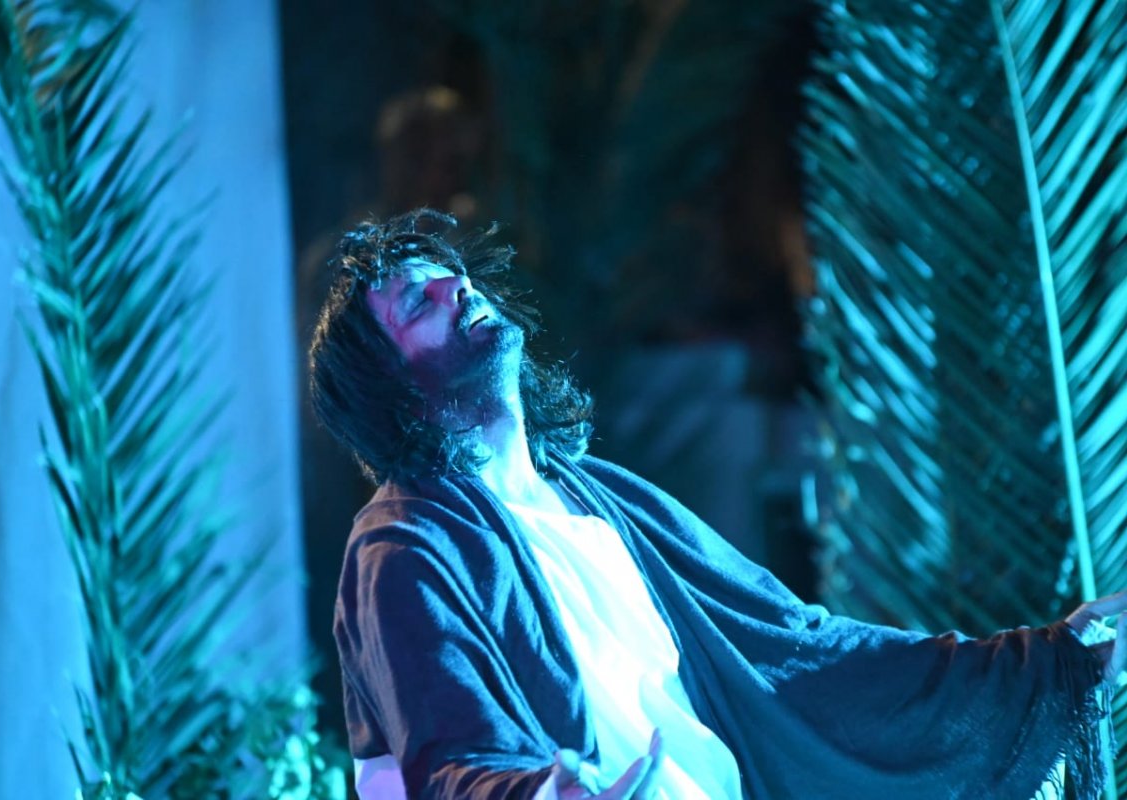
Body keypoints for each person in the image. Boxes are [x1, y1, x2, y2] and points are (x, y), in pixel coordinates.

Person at [307, 209, 1125, 800]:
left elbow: (800, 649)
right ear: (392, 393)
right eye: (416, 303)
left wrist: (1043, 661)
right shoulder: (404, 547)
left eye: (449, 273)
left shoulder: (605, 498)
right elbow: (451, 752)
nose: (454, 284)